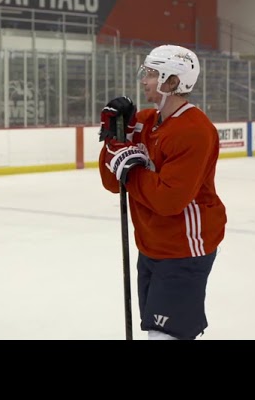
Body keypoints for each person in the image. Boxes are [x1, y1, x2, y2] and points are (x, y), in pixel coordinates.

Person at [98, 45, 226, 340]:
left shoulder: (195, 130)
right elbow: (111, 182)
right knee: (158, 333)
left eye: (152, 74)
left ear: (172, 81)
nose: (144, 80)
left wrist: (130, 169)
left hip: (184, 249)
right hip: (151, 245)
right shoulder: (144, 121)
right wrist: (114, 139)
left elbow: (169, 200)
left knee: (165, 335)